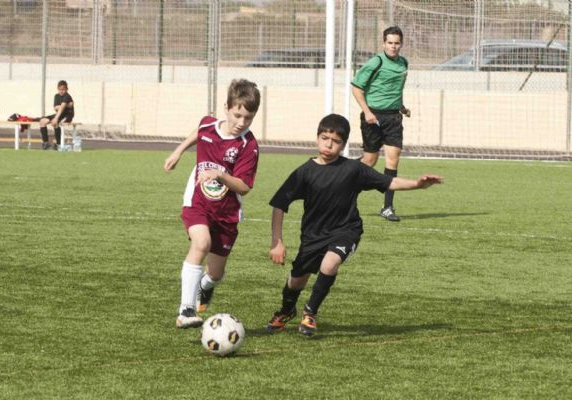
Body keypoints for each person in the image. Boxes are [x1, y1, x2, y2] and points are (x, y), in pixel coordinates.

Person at [265, 114, 443, 337]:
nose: (329, 144)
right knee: (295, 281)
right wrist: (277, 242)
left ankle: (310, 312)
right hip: (313, 235)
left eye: (336, 141)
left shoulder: (353, 169)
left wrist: (418, 184)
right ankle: (286, 310)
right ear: (317, 138)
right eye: (324, 138)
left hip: (345, 230)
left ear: (344, 144)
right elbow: (279, 204)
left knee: (329, 265)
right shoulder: (305, 171)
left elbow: (389, 181)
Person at [163, 79, 261, 329]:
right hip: (197, 201)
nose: (241, 122)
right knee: (201, 243)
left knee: (215, 274)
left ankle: (204, 287)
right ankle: (186, 310)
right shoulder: (208, 123)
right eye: (237, 114)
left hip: (226, 213)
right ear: (226, 107)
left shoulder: (248, 145)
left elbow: (244, 187)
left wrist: (221, 175)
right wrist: (178, 151)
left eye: (248, 118)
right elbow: (199, 133)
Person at [351, 25, 410, 222]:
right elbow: (357, 88)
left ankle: (387, 207)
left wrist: (401, 106)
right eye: (390, 43)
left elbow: (395, 88)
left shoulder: (403, 64)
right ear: (384, 43)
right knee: (370, 161)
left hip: (393, 118)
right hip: (373, 117)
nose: (393, 47)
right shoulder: (375, 62)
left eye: (397, 43)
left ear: (401, 44)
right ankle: (343, 181)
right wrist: (367, 112)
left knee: (393, 159)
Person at [39, 80, 74, 150]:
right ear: (58, 89)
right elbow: (56, 108)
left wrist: (56, 118)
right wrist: (65, 105)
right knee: (42, 121)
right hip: (59, 114)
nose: (61, 91)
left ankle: (58, 144)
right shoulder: (57, 96)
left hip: (67, 115)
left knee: (55, 123)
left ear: (67, 89)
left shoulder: (67, 96)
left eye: (63, 89)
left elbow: (61, 108)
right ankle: (45, 143)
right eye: (60, 89)